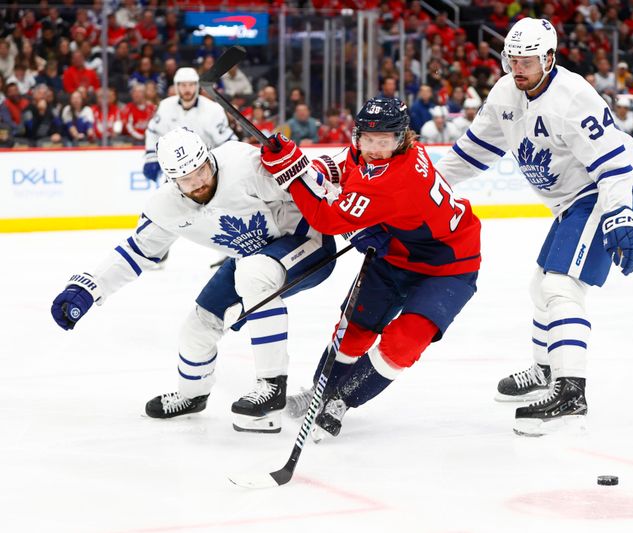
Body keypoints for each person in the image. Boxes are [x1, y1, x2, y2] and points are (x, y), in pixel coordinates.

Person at [434, 17, 633, 436]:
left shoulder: (574, 97)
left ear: (549, 58)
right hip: (571, 202)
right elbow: (472, 153)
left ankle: (571, 393)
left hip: (602, 192)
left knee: (561, 287)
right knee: (540, 288)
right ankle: (546, 370)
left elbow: (612, 163)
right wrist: (425, 188)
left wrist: (620, 214)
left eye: (527, 61)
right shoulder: (505, 93)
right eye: (511, 59)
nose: (518, 68)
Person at [50, 128, 337, 433]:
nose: (200, 181)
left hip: (307, 241)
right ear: (173, 181)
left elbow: (312, 189)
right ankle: (192, 395)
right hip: (253, 260)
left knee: (253, 272)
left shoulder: (242, 162)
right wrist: (88, 287)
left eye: (202, 170)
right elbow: (136, 252)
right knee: (198, 326)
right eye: (187, 179)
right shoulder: (166, 207)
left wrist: (307, 169)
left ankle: (271, 386)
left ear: (209, 158)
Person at [259, 96, 482, 441]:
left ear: (403, 138)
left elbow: (326, 218)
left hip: (449, 265)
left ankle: (339, 402)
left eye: (385, 142)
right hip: (397, 253)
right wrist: (306, 168)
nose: (375, 149)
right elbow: (344, 169)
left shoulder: (396, 178)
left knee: (404, 342)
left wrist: (291, 174)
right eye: (368, 140)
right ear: (358, 136)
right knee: (354, 328)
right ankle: (321, 390)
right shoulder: (382, 157)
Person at [142, 67, 236, 182]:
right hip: (175, 170)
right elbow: (153, 132)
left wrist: (224, 165)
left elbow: (229, 142)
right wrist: (151, 158)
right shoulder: (165, 106)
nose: (187, 89)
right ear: (176, 87)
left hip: (206, 168)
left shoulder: (213, 110)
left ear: (197, 86)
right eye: (183, 85)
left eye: (191, 85)